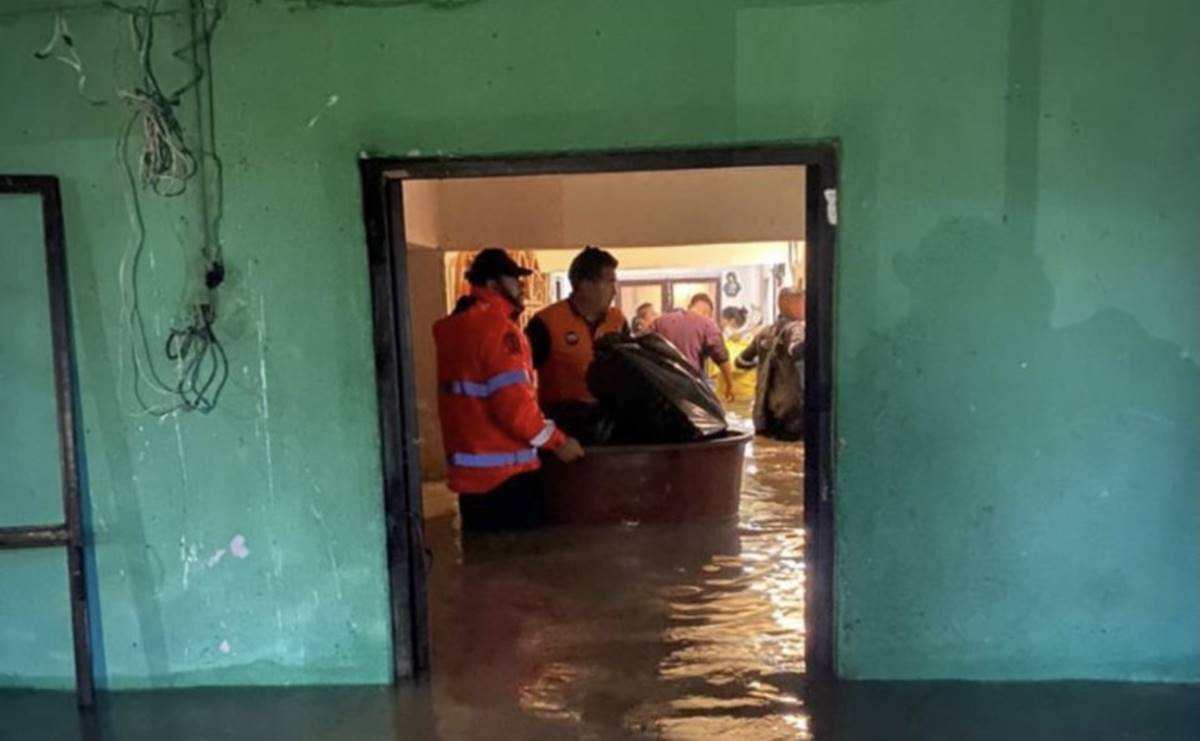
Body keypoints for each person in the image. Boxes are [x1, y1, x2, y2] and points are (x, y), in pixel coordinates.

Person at [433, 248, 585, 531]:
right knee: (521, 556)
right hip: (507, 480)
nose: (521, 287)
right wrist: (559, 442)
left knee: (483, 554)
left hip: (471, 481)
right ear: (493, 285)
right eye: (514, 280)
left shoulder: (456, 329)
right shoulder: (499, 331)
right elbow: (515, 408)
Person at [526, 246, 628, 410]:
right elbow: (520, 374)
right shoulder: (546, 322)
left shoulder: (618, 321)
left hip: (610, 419)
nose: (614, 291)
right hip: (562, 419)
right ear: (585, 285)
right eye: (609, 282)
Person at [736, 287, 806, 440]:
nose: (806, 308)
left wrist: (761, 365)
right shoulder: (796, 328)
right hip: (791, 412)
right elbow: (797, 349)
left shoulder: (764, 332)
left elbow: (740, 361)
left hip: (764, 412)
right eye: (803, 303)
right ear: (791, 305)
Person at [652, 293, 736, 402]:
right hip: (689, 387)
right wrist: (730, 385)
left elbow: (647, 345)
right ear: (708, 313)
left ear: (689, 306)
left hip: (661, 383)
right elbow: (722, 357)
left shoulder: (660, 321)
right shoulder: (708, 324)